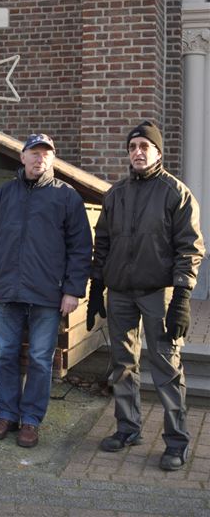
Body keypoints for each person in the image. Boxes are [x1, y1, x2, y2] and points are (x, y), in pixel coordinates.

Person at [87, 121, 205, 471]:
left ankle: (177, 442)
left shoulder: (176, 193)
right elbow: (103, 243)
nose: (138, 152)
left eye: (145, 146)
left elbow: (190, 248)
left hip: (159, 293)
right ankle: (128, 428)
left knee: (166, 366)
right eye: (133, 146)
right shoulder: (116, 194)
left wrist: (182, 298)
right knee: (122, 365)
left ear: (158, 152)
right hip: (121, 293)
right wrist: (96, 289)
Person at [0, 133, 91, 448]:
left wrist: (72, 291)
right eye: (34, 152)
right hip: (8, 294)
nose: (39, 158)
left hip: (47, 296)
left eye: (46, 153)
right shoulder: (5, 195)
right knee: (6, 357)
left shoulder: (66, 197)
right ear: (22, 157)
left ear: (52, 159)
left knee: (41, 360)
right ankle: (7, 414)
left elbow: (81, 248)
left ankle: (30, 421)